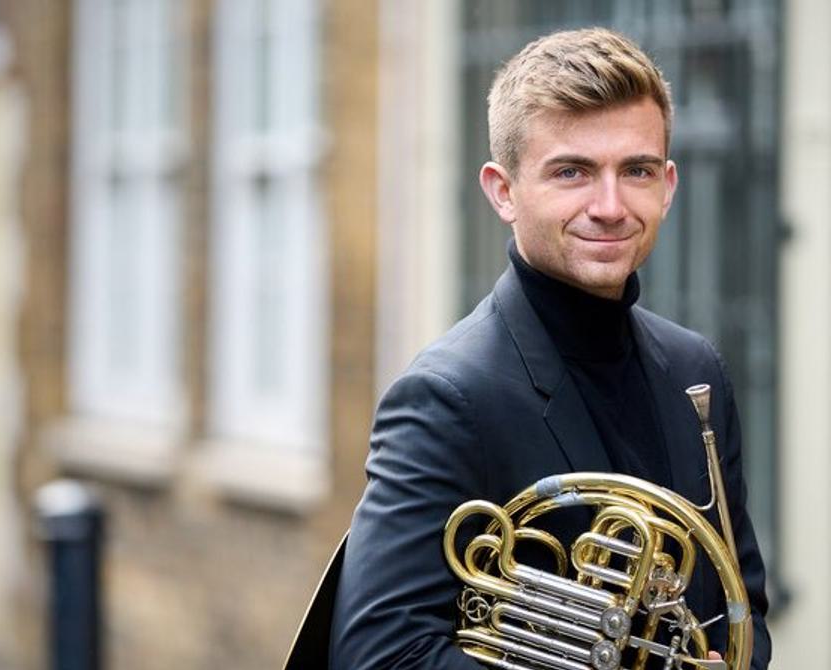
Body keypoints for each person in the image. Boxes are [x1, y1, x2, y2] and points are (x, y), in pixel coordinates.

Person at [328, 27, 771, 669]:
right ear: (503, 191)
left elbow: (741, 612)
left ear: (668, 185)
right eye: (572, 172)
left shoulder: (695, 372)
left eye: (637, 171)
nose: (610, 206)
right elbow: (381, 656)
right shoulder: (447, 397)